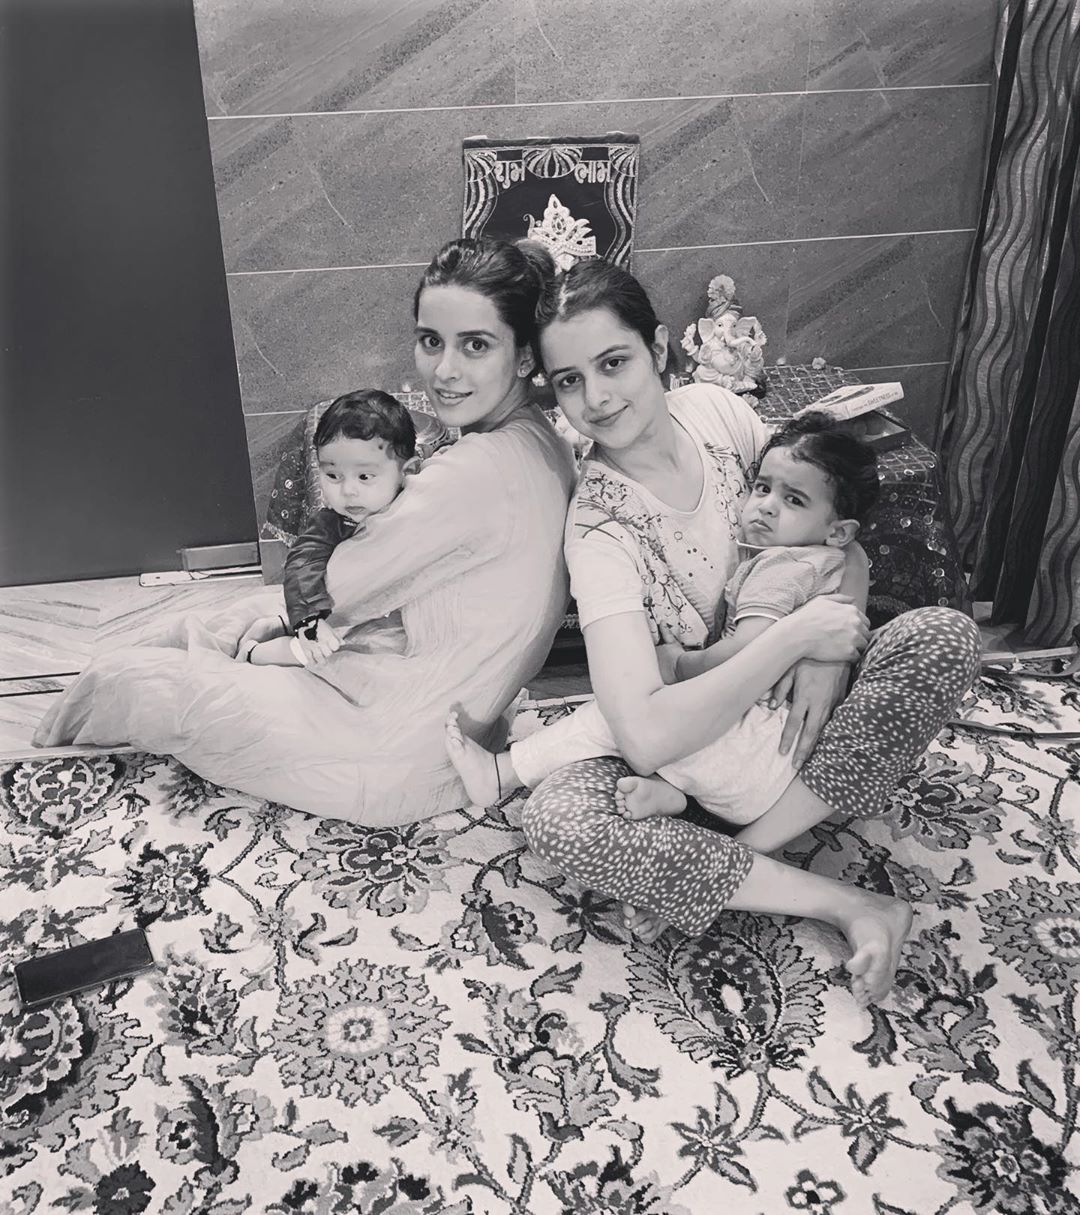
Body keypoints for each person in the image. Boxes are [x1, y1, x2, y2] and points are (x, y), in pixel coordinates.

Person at [492, 258, 980, 1006]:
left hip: (798, 730)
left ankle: (732, 858)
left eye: (614, 362)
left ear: (659, 349)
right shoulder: (598, 530)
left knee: (944, 636)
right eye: (568, 380)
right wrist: (793, 639)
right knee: (559, 820)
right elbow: (645, 737)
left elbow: (834, 531)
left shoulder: (716, 411)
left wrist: (830, 649)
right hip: (692, 760)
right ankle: (846, 902)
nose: (596, 397)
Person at [33, 238, 578, 827]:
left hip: (394, 751)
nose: (445, 371)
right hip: (463, 721)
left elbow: (338, 591)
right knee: (235, 620)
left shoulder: (474, 473)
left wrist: (282, 634)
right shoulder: (543, 440)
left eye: (476, 345)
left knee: (129, 682)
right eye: (430, 341)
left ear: (525, 355)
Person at [446, 410, 880, 827]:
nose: (766, 506)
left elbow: (747, 650)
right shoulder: (823, 560)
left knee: (616, 717)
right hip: (775, 766)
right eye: (762, 487)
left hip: (757, 750)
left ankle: (502, 774)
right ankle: (676, 794)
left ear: (839, 531)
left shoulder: (782, 568)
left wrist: (678, 664)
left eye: (794, 500)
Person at [241, 390, 420, 668]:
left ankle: (281, 623)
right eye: (333, 475)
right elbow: (301, 565)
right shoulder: (332, 524)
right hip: (335, 617)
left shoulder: (419, 509)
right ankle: (254, 651)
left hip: (386, 614)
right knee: (320, 654)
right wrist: (310, 620)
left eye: (364, 476)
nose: (348, 490)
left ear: (408, 472)